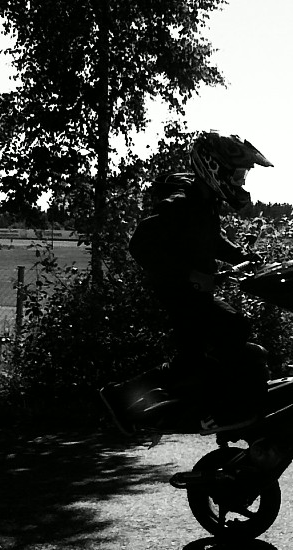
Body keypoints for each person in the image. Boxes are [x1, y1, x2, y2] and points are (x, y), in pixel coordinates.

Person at [101, 131, 273, 434]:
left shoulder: (205, 202)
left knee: (197, 356)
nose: (240, 182)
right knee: (230, 331)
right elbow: (140, 245)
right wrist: (191, 275)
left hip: (194, 292)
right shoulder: (180, 204)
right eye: (237, 175)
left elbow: (211, 239)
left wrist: (239, 254)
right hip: (179, 292)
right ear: (214, 168)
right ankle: (211, 408)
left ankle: (129, 397)